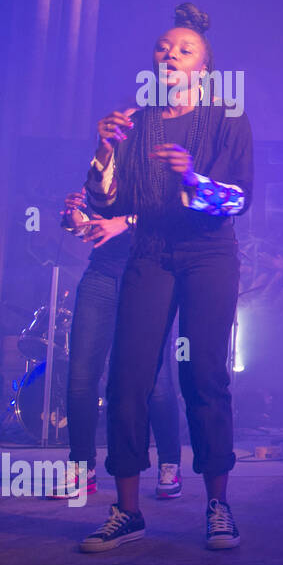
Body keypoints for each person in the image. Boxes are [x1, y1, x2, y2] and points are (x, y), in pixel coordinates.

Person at [78, 2, 253, 552]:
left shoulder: (228, 115)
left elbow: (239, 197)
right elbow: (109, 199)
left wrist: (194, 178)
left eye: (184, 49)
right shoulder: (135, 120)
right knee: (127, 377)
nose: (169, 55)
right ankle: (127, 510)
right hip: (150, 251)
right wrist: (105, 149)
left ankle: (218, 506)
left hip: (207, 253)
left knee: (204, 376)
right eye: (163, 48)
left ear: (204, 65)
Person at [47, 187, 182, 501]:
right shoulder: (105, 165)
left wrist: (128, 221)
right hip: (102, 274)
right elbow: (87, 228)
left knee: (157, 380)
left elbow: (174, 215)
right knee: (81, 376)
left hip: (150, 272)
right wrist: (72, 219)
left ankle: (169, 463)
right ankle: (82, 468)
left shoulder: (156, 164)